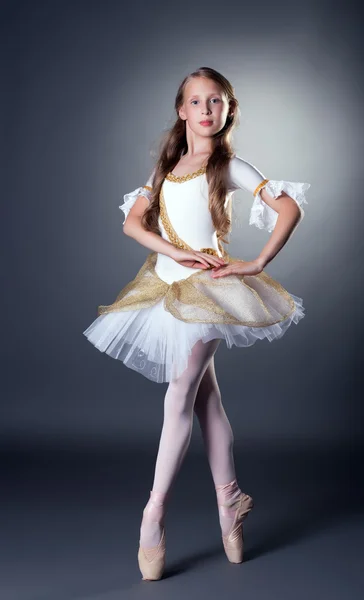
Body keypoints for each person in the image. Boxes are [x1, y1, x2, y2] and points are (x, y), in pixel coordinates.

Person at [83, 67, 310, 581]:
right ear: (182, 110)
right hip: (165, 287)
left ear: (228, 111)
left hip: (207, 291)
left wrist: (254, 264)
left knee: (180, 392)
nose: (207, 110)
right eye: (197, 101)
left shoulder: (229, 165)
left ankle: (153, 513)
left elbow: (288, 208)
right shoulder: (167, 167)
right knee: (207, 398)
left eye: (217, 101)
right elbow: (131, 223)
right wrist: (174, 251)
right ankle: (230, 506)